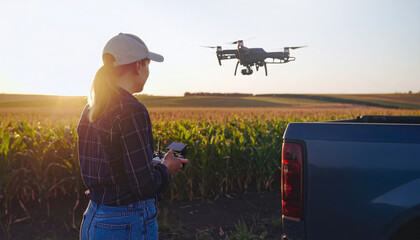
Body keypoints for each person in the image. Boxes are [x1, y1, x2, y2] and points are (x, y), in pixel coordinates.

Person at [77, 33, 188, 240]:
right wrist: (166, 167)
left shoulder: (90, 108)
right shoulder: (132, 110)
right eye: (147, 65)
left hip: (94, 217)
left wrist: (150, 162)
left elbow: (112, 166)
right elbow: (143, 186)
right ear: (138, 65)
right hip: (125, 223)